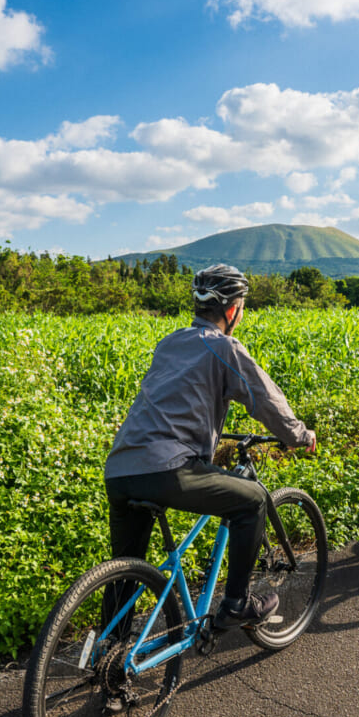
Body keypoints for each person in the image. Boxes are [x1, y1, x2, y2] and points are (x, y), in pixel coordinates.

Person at [104, 263, 316, 629]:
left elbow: (176, 400)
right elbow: (265, 400)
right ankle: (236, 604)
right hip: (168, 469)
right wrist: (299, 435)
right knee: (252, 500)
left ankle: (111, 656)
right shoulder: (224, 348)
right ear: (233, 309)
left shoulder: (169, 343)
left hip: (121, 468)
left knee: (125, 572)